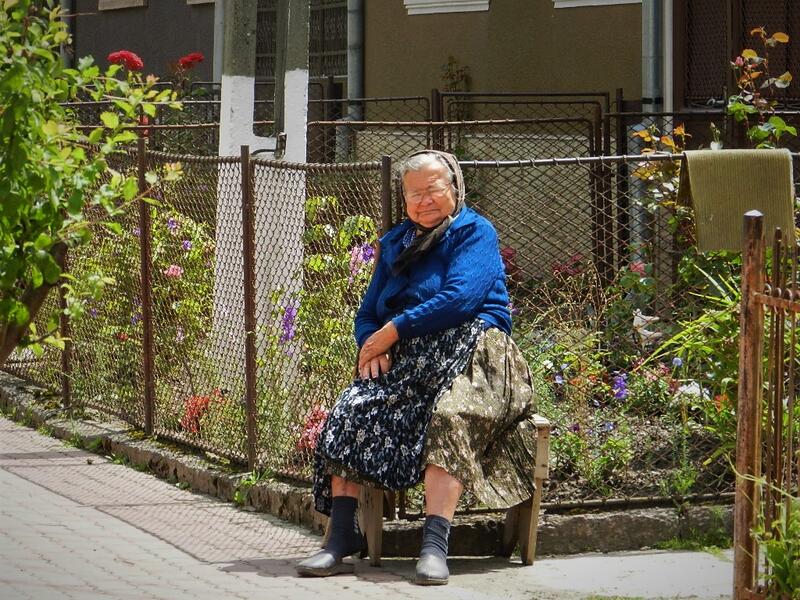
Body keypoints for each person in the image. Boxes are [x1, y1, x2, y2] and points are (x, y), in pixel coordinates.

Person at [296, 150, 538, 585]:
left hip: (476, 355)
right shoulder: (397, 242)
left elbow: (460, 299)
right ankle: (340, 537)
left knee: (449, 416)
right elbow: (368, 312)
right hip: (411, 358)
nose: (423, 201)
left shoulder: (474, 232)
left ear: (455, 188)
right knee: (351, 410)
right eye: (413, 194)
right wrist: (372, 345)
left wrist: (392, 332)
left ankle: (434, 545)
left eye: (433, 189)